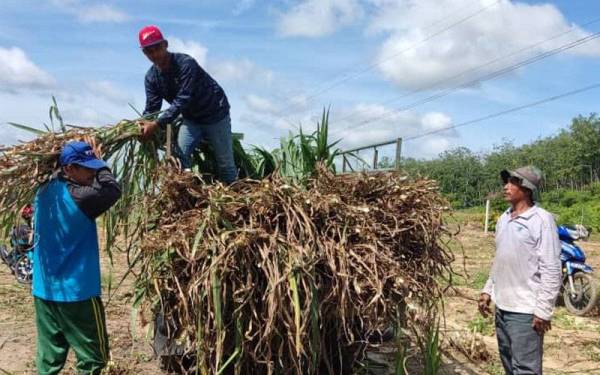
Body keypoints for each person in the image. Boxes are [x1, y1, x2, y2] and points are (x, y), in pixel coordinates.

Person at [32, 140, 121, 374]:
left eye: (95, 167)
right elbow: (112, 190)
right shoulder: (82, 198)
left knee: (49, 360)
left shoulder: (41, 191)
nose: (92, 172)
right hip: (77, 295)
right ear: (69, 169)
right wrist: (103, 165)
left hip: (44, 292)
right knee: (93, 359)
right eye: (87, 168)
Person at [478, 166, 561, 375]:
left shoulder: (541, 220)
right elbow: (500, 260)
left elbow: (551, 268)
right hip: (503, 307)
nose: (506, 187)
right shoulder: (504, 218)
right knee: (508, 363)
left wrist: (543, 310)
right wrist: (488, 290)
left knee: (525, 368)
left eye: (512, 182)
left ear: (526, 189)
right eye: (506, 182)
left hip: (525, 311)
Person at [137, 25, 237, 183]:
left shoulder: (185, 64)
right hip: (191, 119)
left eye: (157, 47)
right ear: (144, 53)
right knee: (179, 159)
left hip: (215, 114)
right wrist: (142, 125)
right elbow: (152, 108)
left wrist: (156, 124)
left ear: (166, 44)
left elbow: (183, 99)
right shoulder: (151, 78)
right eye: (149, 50)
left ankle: (234, 201)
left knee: (225, 164)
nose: (155, 54)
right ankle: (189, 197)